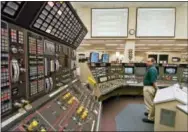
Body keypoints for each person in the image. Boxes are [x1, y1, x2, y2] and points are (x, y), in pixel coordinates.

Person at [142, 58, 158, 123]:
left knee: (149, 103)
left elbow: (153, 81)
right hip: (148, 87)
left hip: (149, 88)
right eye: (147, 61)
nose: (147, 62)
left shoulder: (152, 70)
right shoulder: (151, 69)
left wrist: (157, 89)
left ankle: (151, 118)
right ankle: (149, 113)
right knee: (149, 102)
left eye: (148, 61)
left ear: (153, 62)